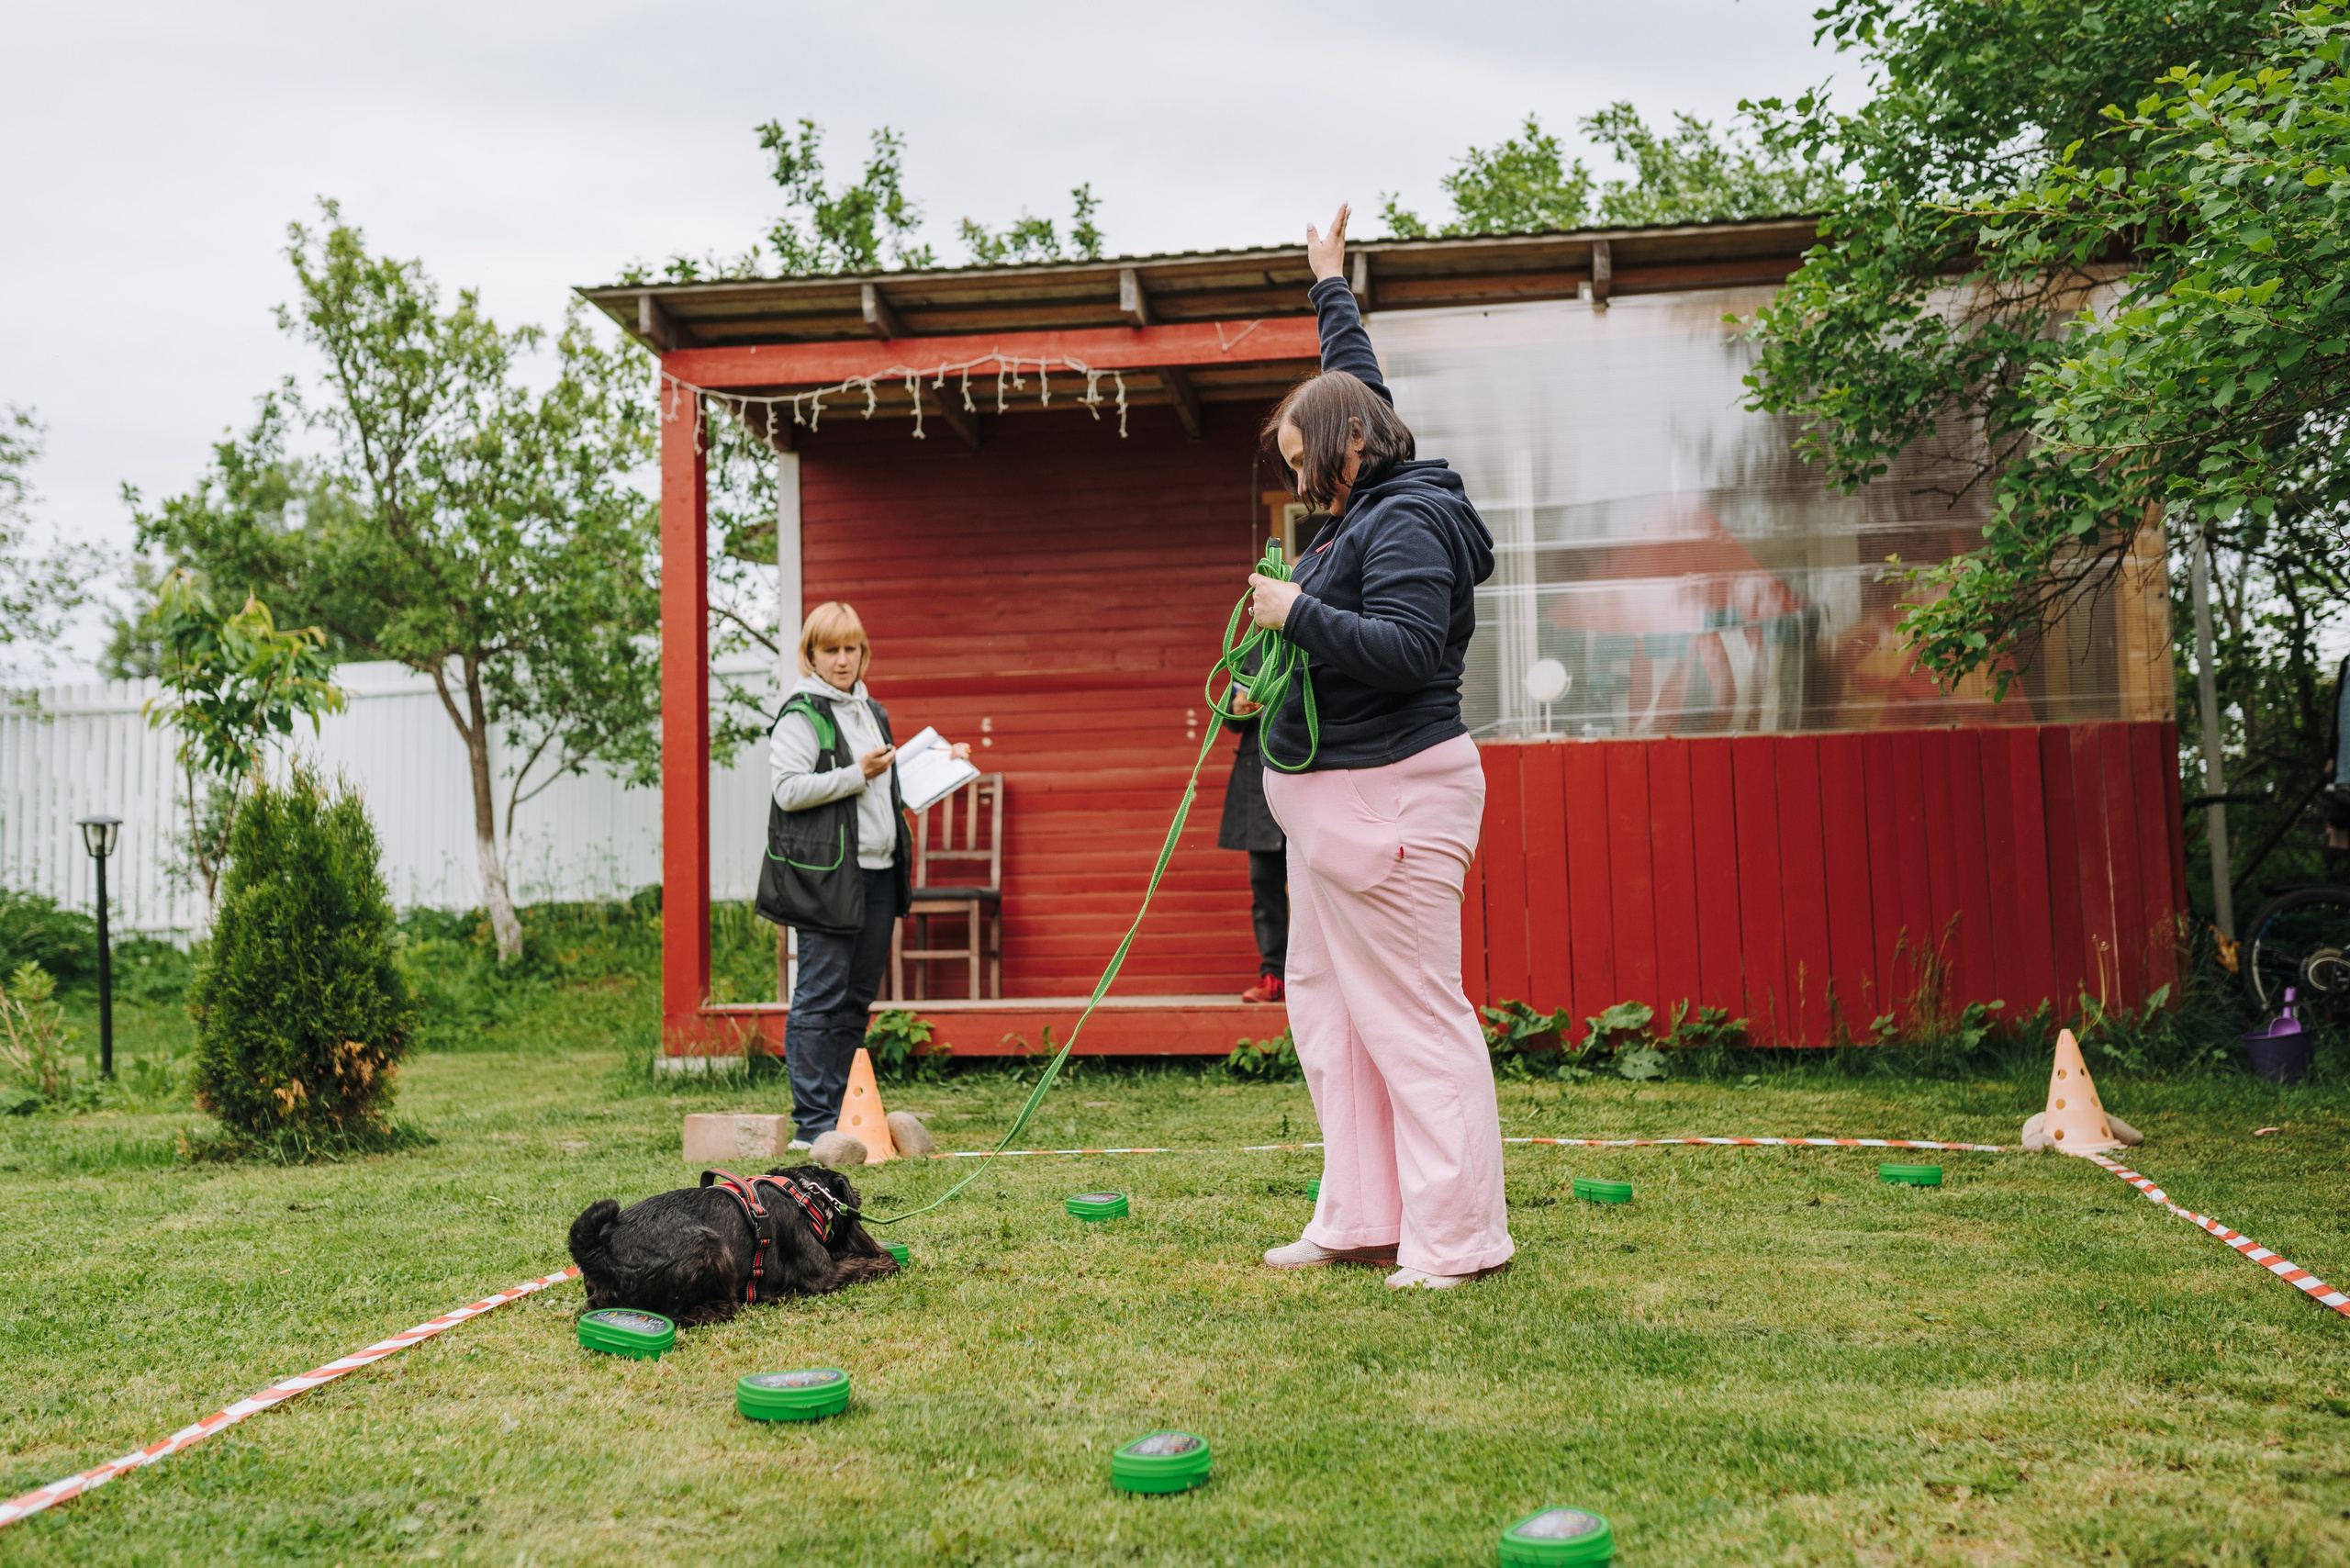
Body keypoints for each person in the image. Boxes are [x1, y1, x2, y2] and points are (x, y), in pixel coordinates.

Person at [1248, 204, 1510, 1290]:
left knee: (1411, 1020)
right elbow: (1353, 378)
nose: (1302, 485)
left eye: (1306, 462)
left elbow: (1406, 649)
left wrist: (1294, 613)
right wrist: (1328, 282)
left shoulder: (1405, 518)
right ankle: (1361, 1216)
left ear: (1352, 447)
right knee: (1331, 1014)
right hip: (1333, 808)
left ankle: (1457, 1240)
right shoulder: (1371, 474)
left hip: (1393, 799)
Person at [755, 601, 968, 1148]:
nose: (843, 659)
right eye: (831, 650)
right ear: (811, 655)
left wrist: (941, 763)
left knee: (855, 1001)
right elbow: (788, 791)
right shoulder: (801, 714)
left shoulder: (872, 709)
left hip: (880, 872)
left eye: (851, 648)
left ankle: (843, 1118)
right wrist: (857, 773)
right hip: (829, 877)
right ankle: (812, 1125)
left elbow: (886, 786)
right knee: (819, 998)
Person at [1218, 681, 1289, 1003]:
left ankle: (1328, 978)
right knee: (1264, 887)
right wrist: (1236, 709)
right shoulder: (1247, 655)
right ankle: (1274, 976)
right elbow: (1230, 716)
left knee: (1320, 887)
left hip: (1308, 771)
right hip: (1257, 782)